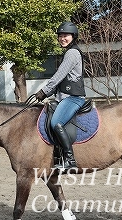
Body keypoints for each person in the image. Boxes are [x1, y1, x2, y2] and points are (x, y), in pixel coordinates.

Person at [35, 21, 86, 170]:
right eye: (60, 36)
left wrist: (44, 90)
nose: (62, 38)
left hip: (73, 97)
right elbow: (62, 80)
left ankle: (70, 160)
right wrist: (48, 93)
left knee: (56, 123)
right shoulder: (69, 52)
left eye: (66, 36)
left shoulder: (72, 53)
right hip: (63, 97)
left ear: (73, 37)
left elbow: (59, 75)